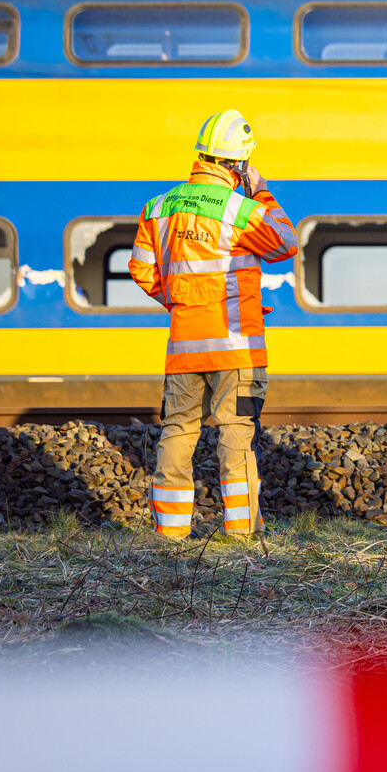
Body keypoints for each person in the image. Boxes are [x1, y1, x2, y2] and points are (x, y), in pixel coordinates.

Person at [130, 110, 298, 540]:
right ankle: (240, 533)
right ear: (237, 164)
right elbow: (285, 243)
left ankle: (170, 533)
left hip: (184, 346)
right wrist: (262, 193)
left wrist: (182, 302)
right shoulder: (241, 209)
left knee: (178, 430)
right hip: (236, 347)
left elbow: (143, 270)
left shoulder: (158, 207)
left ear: (203, 156)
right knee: (236, 431)